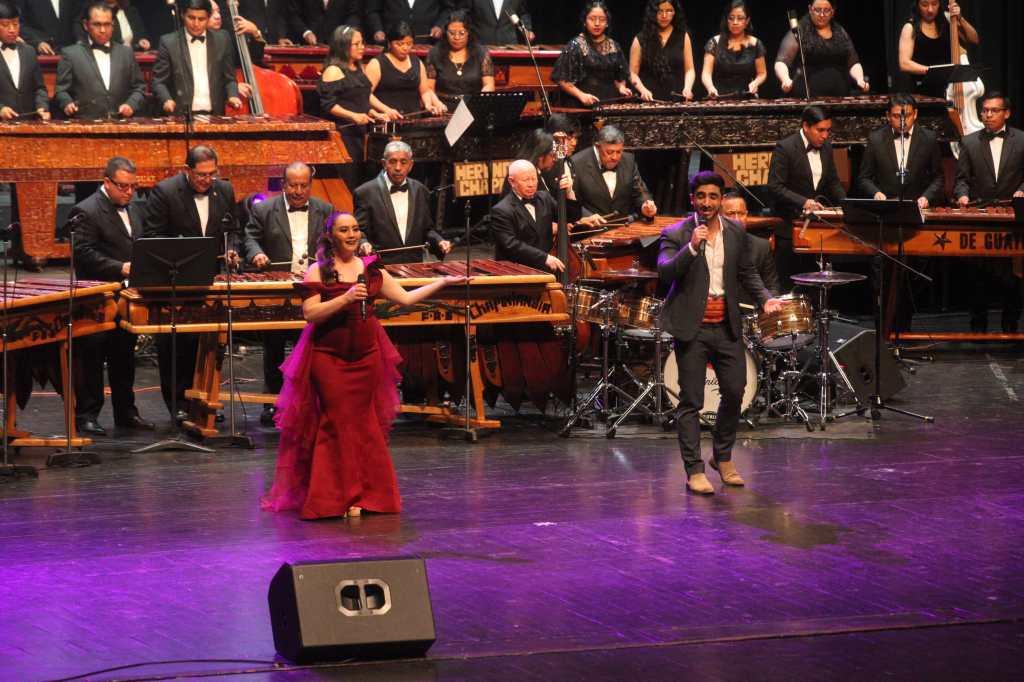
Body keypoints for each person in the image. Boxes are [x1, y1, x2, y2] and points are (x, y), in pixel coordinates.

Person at [260, 211, 465, 519]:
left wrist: (443, 282)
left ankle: (367, 495)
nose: (352, 235)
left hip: (366, 356)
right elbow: (311, 314)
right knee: (337, 423)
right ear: (331, 236)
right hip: (329, 357)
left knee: (364, 425)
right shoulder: (318, 271)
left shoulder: (370, 270)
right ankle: (333, 497)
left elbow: (406, 299)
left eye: (356, 229)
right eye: (345, 230)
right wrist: (345, 299)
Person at [658, 172, 782, 495]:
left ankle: (722, 457)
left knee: (735, 390)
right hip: (693, 330)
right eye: (702, 196)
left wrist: (766, 298)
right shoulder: (676, 233)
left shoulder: (735, 233)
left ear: (721, 200)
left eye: (714, 197)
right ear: (692, 200)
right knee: (692, 400)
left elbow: (747, 273)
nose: (708, 203)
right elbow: (665, 271)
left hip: (726, 327)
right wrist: (691, 247)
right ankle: (694, 469)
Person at [142, 145, 240, 420]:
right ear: (187, 171)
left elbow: (232, 230)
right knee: (176, 347)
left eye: (212, 174)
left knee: (206, 344)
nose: (208, 180)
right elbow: (152, 236)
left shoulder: (225, 190)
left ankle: (203, 401)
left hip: (210, 280)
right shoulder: (165, 192)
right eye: (202, 175)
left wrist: (231, 249)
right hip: (175, 282)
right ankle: (178, 406)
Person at [69, 156, 155, 436]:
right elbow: (82, 253)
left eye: (133, 187)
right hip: (96, 298)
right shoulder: (85, 210)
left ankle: (126, 412)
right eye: (123, 187)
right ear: (107, 182)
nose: (129, 192)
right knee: (92, 357)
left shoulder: (135, 208)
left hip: (126, 295)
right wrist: (120, 266)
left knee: (123, 356)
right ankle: (87, 415)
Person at [242, 161, 333, 425]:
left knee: (310, 347)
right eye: (293, 185)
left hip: (313, 288)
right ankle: (273, 402)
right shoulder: (264, 210)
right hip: (279, 287)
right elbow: (249, 237)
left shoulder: (324, 209)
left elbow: (335, 238)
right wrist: (256, 253)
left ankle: (309, 400)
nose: (298, 190)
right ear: (283, 184)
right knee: (274, 348)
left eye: (304, 185)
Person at [953, 92, 1024, 332]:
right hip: (980, 216)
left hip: (1013, 218)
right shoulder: (970, 142)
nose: (988, 115)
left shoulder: (1022, 140)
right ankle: (978, 324)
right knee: (977, 276)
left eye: (994, 110)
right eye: (984, 111)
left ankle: (1010, 323)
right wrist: (962, 194)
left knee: (1013, 277)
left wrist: (1022, 191)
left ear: (1007, 113)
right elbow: (961, 179)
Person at [766, 105, 847, 283]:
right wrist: (804, 202)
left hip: (816, 230)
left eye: (828, 130)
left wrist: (847, 204)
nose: (825, 135)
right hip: (790, 229)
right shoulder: (785, 148)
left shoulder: (826, 148)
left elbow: (833, 181)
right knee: (791, 285)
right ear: (805, 126)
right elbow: (775, 186)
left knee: (816, 283)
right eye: (820, 130)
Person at [317, 25, 393, 193]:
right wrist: (353, 116)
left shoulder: (359, 68)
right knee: (349, 184)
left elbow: (361, 100)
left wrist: (376, 114)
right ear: (343, 46)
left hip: (361, 136)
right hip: (344, 137)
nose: (362, 47)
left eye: (362, 43)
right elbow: (328, 105)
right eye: (356, 44)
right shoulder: (333, 70)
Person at [353, 140, 452, 265]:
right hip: (379, 267)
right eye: (392, 162)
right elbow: (359, 231)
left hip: (414, 265)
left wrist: (439, 241)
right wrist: (363, 243)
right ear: (384, 164)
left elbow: (426, 229)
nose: (398, 168)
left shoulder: (421, 190)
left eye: (403, 162)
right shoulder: (365, 192)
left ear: (410, 165)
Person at [490, 159, 587, 274]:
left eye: (534, 179)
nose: (531, 184)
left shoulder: (544, 198)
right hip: (517, 271)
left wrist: (569, 192)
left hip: (546, 269)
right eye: (526, 180)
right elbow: (511, 245)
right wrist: (544, 258)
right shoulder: (501, 210)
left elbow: (571, 217)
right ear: (512, 181)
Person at [55, 2, 146, 120]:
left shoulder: (126, 53)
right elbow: (61, 91)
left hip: (121, 125)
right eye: (97, 24)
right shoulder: (71, 54)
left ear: (113, 25)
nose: (102, 30)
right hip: (84, 127)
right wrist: (67, 103)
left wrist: (131, 104)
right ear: (86, 25)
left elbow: (139, 87)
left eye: (107, 24)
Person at [151, 0, 242, 116]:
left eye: (201, 19)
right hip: (181, 116)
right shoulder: (169, 43)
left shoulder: (222, 39)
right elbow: (158, 82)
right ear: (183, 15)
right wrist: (166, 100)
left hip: (214, 115)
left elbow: (230, 78)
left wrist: (233, 95)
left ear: (208, 17)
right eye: (191, 18)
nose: (196, 24)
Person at [858, 93, 944, 208]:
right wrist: (876, 193)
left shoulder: (929, 138)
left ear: (915, 114)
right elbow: (864, 178)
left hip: (918, 209)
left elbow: (938, 177)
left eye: (907, 115)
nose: (903, 121)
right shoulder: (875, 140)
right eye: (897, 116)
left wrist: (926, 197)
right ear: (888, 116)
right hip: (886, 210)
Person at [774, 0, 869, 98]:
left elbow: (853, 62)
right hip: (808, 98)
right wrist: (785, 79)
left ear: (833, 11)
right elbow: (781, 62)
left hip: (839, 97)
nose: (822, 15)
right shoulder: (799, 31)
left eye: (826, 10)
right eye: (818, 10)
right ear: (810, 9)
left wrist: (859, 79)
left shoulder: (840, 32)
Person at [570, 124, 657, 221]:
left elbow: (640, 192)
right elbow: (572, 202)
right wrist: (587, 216)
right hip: (591, 230)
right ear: (598, 147)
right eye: (609, 152)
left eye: (619, 152)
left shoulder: (629, 161)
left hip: (623, 228)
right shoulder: (577, 163)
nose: (615, 157)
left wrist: (645, 205)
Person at [551, 1, 630, 106]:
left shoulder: (614, 46)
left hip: (609, 104)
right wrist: (581, 95)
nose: (597, 23)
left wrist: (621, 88)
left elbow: (619, 77)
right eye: (592, 19)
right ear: (585, 21)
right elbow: (562, 80)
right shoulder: (575, 45)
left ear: (607, 23)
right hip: (582, 104)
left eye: (602, 19)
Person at [898, 0, 979, 99]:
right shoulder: (910, 27)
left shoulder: (948, 19)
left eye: (934, 4)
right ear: (917, 5)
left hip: (947, 90)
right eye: (924, 5)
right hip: (921, 91)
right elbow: (904, 64)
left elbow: (974, 39)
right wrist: (934, 72)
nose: (930, 9)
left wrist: (960, 18)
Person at [365, 21, 446, 118]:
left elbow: (425, 91)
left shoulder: (417, 62)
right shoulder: (377, 64)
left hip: (414, 121)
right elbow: (365, 94)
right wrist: (386, 110)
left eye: (409, 43)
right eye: (399, 44)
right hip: (387, 120)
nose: (405, 48)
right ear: (390, 43)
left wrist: (428, 104)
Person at [721, 191, 781, 308]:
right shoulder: (713, 243)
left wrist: (771, 303)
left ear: (746, 215)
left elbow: (772, 286)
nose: (737, 219)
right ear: (720, 215)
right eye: (731, 213)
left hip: (753, 314)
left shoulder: (762, 246)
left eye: (741, 213)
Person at [629, 0, 694, 102]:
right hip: (649, 100)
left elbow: (690, 69)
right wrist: (643, 90)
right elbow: (632, 73)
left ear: (675, 12)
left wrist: (688, 88)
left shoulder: (683, 36)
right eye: (659, 11)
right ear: (652, 12)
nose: (664, 15)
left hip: (677, 98)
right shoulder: (640, 39)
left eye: (669, 11)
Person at [701, 0, 767, 99]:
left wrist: (755, 83)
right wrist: (710, 87)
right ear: (726, 20)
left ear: (747, 21)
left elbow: (762, 73)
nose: (735, 22)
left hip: (746, 98)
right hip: (719, 97)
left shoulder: (755, 44)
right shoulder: (714, 42)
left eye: (740, 18)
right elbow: (706, 73)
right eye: (731, 18)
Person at [424, 10, 494, 102]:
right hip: (443, 107)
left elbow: (489, 85)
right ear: (445, 32)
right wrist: (436, 104)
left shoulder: (481, 53)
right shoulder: (434, 53)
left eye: (461, 33)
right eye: (452, 33)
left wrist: (480, 99)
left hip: (472, 106)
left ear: (468, 32)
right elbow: (429, 88)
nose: (456, 37)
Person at [0, 1, 50, 122]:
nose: (12, 30)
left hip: (28, 123)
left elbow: (40, 88)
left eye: (15, 24)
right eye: (5, 25)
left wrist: (42, 106)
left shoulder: (29, 52)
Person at [74, 0, 151, 51]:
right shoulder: (92, 9)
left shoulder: (131, 11)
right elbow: (79, 29)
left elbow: (140, 34)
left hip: (131, 57)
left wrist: (142, 41)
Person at [367, 0, 450, 45]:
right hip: (392, 44)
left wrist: (439, 25)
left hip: (426, 43)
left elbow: (448, 8)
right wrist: (377, 29)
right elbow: (372, 10)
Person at [289, 0, 360, 46]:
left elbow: (353, 14)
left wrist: (346, 32)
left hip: (339, 47)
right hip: (306, 45)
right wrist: (305, 32)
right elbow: (293, 14)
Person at [461, 0, 533, 46]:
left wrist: (527, 29)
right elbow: (464, 12)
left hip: (509, 47)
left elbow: (523, 13)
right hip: (481, 47)